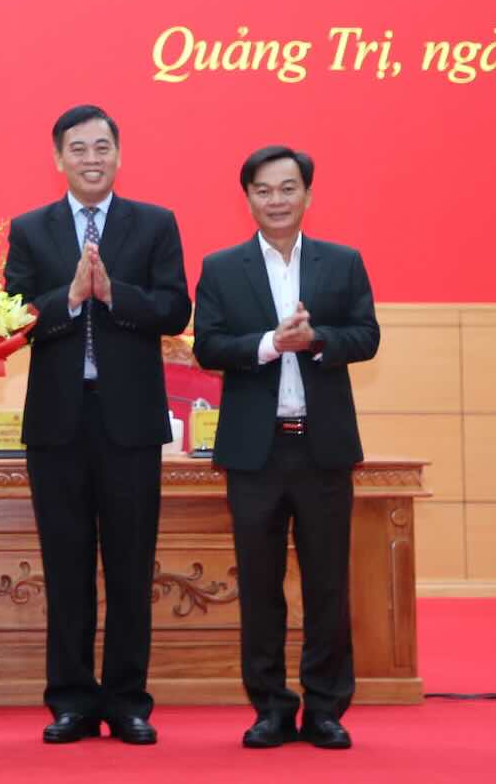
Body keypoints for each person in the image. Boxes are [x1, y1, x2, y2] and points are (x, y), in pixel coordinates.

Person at [3, 105, 190, 746]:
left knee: (132, 567)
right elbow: (12, 316)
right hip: (58, 424)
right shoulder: (31, 229)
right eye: (78, 149)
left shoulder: (154, 224)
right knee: (67, 566)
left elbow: (175, 308)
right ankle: (72, 701)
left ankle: (129, 701)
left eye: (102, 147)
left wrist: (114, 296)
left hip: (131, 423)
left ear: (118, 154)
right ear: (58, 158)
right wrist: (71, 300)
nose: (91, 158)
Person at [192, 145, 380, 751]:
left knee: (328, 584)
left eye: (288, 188)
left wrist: (317, 339)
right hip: (256, 452)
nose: (276, 200)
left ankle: (326, 708)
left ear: (307, 195)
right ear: (247, 197)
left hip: (321, 448)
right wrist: (273, 343)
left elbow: (366, 335)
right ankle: (270, 707)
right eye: (264, 190)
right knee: (260, 583)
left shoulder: (342, 263)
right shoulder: (222, 267)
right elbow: (210, 347)